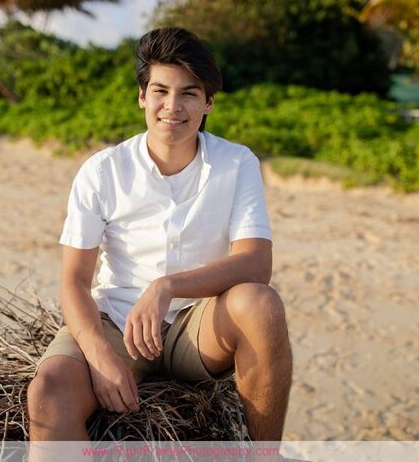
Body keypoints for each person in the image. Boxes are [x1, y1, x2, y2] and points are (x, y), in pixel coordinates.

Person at [27, 27, 292, 442]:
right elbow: (74, 279)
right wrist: (99, 355)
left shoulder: (237, 163)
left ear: (208, 103)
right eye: (160, 91)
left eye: (189, 93)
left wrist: (167, 286)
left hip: (200, 329)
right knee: (48, 391)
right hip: (118, 323)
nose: (173, 106)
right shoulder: (103, 171)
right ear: (142, 97)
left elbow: (257, 264)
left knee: (261, 304)